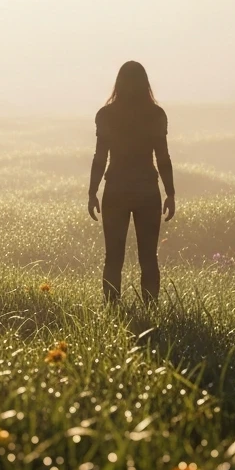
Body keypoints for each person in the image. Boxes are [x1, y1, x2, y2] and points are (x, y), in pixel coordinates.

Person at [88, 61, 175, 304]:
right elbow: (163, 157)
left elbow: (100, 157)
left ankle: (112, 309)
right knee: (148, 257)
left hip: (116, 189)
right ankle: (151, 309)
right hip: (147, 190)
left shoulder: (106, 115)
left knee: (113, 257)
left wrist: (92, 192)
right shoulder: (156, 115)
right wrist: (170, 193)